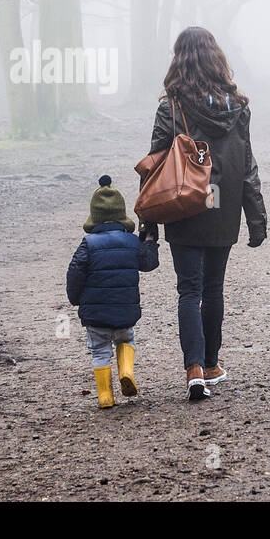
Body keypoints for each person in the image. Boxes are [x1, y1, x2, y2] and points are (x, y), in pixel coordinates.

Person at [143, 27, 266, 402]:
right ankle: (211, 365)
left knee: (188, 289)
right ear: (217, 59)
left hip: (184, 204)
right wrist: (256, 216)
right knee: (213, 289)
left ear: (179, 59)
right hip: (221, 204)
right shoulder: (238, 107)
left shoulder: (172, 106)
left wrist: (148, 220)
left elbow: (155, 164)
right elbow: (247, 165)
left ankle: (193, 368)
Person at [66, 175, 160, 408]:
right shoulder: (131, 242)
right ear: (122, 214)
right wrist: (148, 241)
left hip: (96, 315)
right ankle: (126, 372)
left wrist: (75, 299)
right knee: (126, 338)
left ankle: (105, 396)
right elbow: (148, 263)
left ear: (94, 217)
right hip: (124, 310)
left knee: (99, 350)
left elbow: (75, 273)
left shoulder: (88, 244)